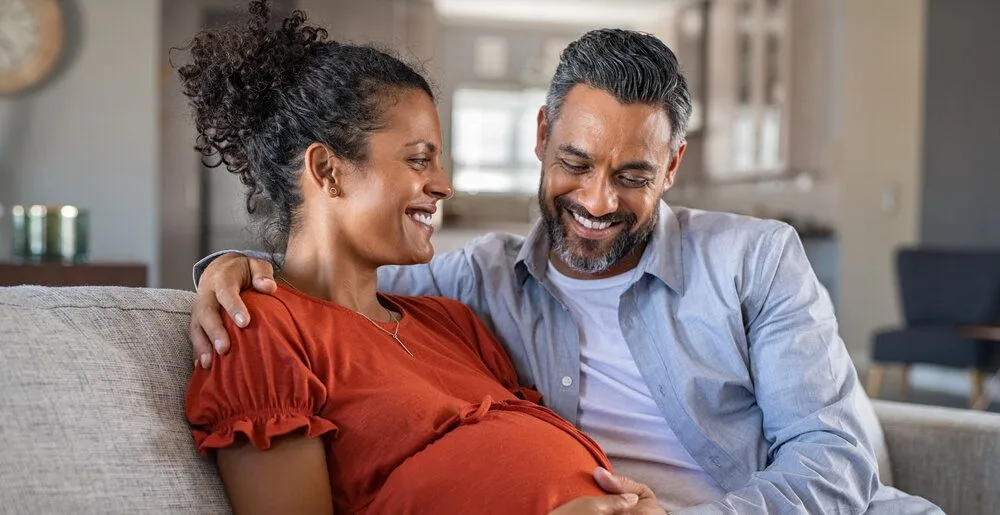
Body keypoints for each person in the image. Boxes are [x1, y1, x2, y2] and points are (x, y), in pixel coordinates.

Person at [190, 18, 943, 515]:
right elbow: (320, 285)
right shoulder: (472, 283)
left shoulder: (755, 259)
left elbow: (834, 457)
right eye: (575, 162)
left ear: (674, 164)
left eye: (633, 176)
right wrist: (228, 268)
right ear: (542, 132)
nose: (596, 199)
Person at [179, 2, 663, 514]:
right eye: (418, 159)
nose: (443, 185)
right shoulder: (263, 331)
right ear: (327, 170)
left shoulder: (452, 322)